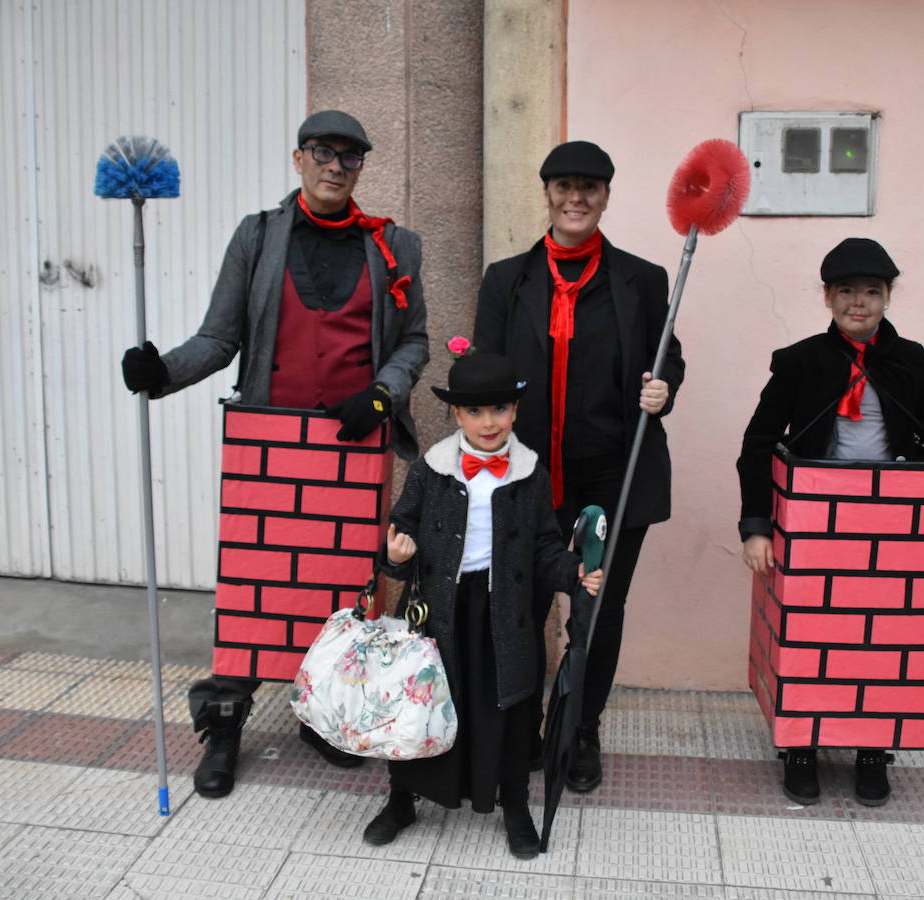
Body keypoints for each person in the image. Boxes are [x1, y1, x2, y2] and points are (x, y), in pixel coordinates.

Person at [119, 110, 429, 798]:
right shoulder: (256, 238)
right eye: (323, 151)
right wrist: (161, 371)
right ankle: (224, 725)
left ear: (361, 168)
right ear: (298, 159)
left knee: (342, 593)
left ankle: (324, 715)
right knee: (250, 592)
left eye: (350, 156)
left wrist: (383, 393)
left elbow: (415, 340)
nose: (335, 165)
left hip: (351, 453)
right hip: (269, 445)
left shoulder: (396, 247)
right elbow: (219, 338)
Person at [736, 237, 924, 806]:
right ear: (827, 297)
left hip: (887, 519)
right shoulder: (800, 361)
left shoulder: (907, 359)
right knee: (815, 631)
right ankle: (802, 747)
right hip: (816, 518)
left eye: (872, 292)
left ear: (888, 298)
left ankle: (873, 749)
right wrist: (756, 525)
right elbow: (757, 444)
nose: (859, 303)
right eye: (846, 292)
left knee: (884, 632)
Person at [473, 140, 683, 793]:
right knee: (526, 604)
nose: (576, 198)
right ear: (547, 193)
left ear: (606, 197)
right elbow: (484, 369)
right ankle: (528, 723)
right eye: (564, 186)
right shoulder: (507, 280)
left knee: (597, 610)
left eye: (589, 188)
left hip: (611, 479)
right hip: (529, 480)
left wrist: (664, 386)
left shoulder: (642, 280)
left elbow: (667, 353)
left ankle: (581, 727)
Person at [364, 349, 602, 859]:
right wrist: (398, 553)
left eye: (498, 410)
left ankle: (513, 804)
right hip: (438, 611)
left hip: (505, 612)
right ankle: (402, 798)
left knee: (510, 712)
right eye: (475, 411)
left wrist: (572, 571)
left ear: (514, 412)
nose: (488, 422)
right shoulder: (432, 469)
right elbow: (402, 526)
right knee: (418, 707)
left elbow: (543, 545)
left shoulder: (530, 473)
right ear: (456, 415)